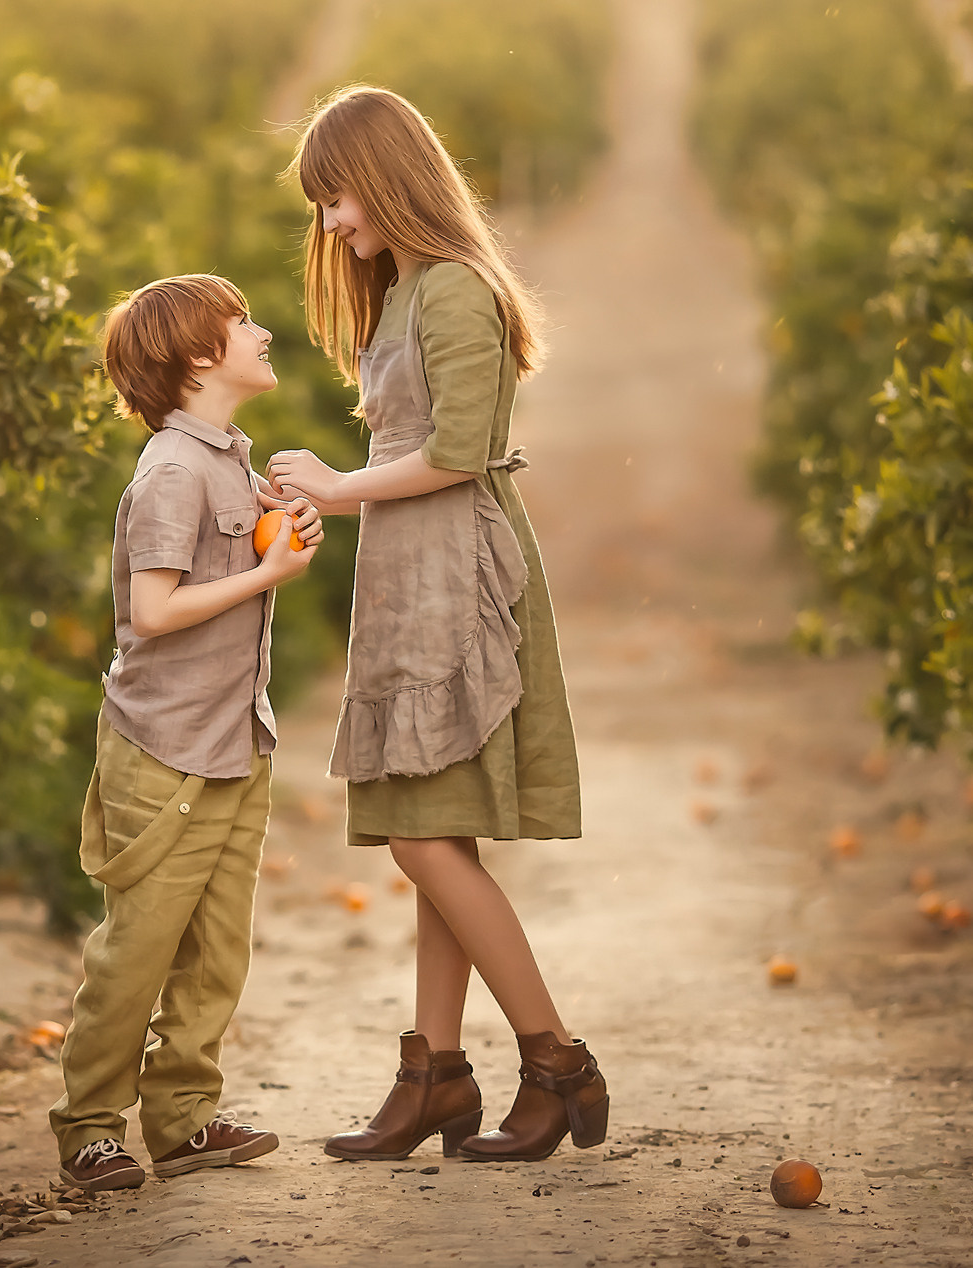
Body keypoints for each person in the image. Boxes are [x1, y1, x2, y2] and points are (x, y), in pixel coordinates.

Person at [266, 86, 608, 1164]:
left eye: (340, 196)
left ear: (393, 176)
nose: (332, 223)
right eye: (321, 205)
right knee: (435, 829)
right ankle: (435, 1078)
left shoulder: (455, 288)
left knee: (422, 836)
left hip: (453, 572)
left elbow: (458, 454)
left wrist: (335, 484)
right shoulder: (406, 293)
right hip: (408, 573)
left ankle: (556, 1059)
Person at [49, 273, 324, 1191]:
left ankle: (182, 1118)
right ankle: (88, 1126)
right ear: (200, 357)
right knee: (138, 946)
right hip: (163, 749)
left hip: (234, 738)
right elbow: (154, 610)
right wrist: (267, 576)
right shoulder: (170, 469)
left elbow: (241, 555)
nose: (262, 333)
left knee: (216, 949)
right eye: (242, 324)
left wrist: (287, 529)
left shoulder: (228, 460)